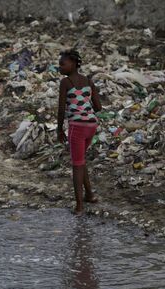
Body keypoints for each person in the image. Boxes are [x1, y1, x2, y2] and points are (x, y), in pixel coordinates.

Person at [57, 50, 102, 215]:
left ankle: (79, 206)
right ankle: (90, 195)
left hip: (77, 127)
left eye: (63, 64)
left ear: (74, 64)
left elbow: (61, 109)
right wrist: (85, 108)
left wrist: (59, 129)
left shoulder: (66, 82)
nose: (59, 67)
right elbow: (98, 107)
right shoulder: (88, 81)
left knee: (76, 165)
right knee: (81, 160)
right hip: (91, 125)